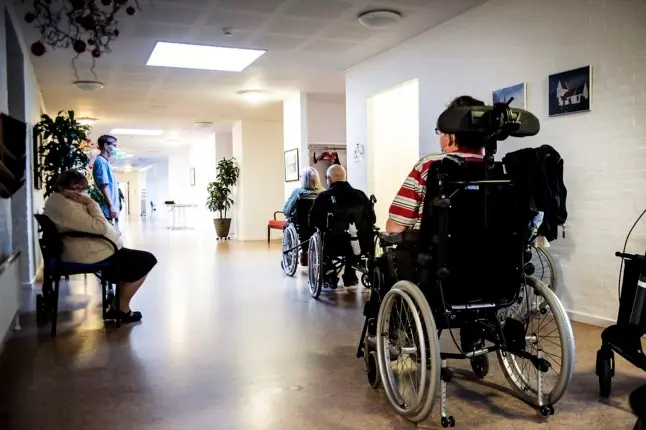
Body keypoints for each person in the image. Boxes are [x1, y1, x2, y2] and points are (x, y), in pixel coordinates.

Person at [43, 170, 157, 323]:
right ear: (62, 187)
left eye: (82, 189)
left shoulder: (59, 201)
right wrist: (91, 203)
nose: (80, 193)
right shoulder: (66, 206)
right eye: (75, 188)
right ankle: (122, 309)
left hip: (92, 249)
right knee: (147, 260)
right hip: (90, 254)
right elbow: (100, 227)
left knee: (133, 261)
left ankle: (117, 307)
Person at [386, 95, 487, 234]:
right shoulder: (496, 170)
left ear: (451, 136)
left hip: (438, 247)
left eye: (441, 133)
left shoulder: (430, 165)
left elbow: (395, 227)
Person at [309, 164, 376, 287]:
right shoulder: (360, 195)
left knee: (325, 235)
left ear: (329, 179)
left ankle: (330, 273)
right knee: (354, 238)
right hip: (361, 244)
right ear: (345, 177)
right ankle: (350, 274)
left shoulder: (323, 197)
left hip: (333, 244)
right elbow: (373, 219)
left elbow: (312, 221)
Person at [283, 167, 324, 266]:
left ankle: (304, 254)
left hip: (303, 226)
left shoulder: (298, 192)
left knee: (288, 224)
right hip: (320, 225)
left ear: (304, 179)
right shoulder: (323, 192)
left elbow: (287, 210)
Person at [93, 135, 120, 223]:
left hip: (109, 209)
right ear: (106, 146)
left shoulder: (106, 162)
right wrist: (111, 206)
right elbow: (103, 186)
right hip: (106, 209)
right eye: (114, 145)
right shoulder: (100, 162)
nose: (116, 148)